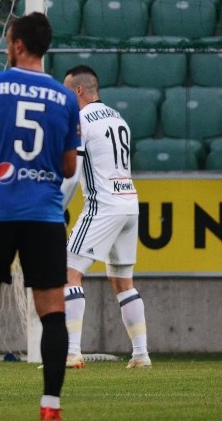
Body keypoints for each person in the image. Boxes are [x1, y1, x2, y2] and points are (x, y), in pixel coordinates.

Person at [0, 12, 80, 421]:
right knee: (53, 312)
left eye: (9, 39)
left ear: (19, 44)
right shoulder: (64, 98)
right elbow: (66, 167)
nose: (7, 45)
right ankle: (50, 407)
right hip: (43, 217)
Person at [59, 65, 150, 370]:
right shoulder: (117, 117)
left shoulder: (80, 120)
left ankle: (71, 353)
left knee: (69, 273)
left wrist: (55, 208)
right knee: (123, 281)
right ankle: (141, 354)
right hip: (129, 202)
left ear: (79, 91)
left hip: (103, 205)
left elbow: (72, 176)